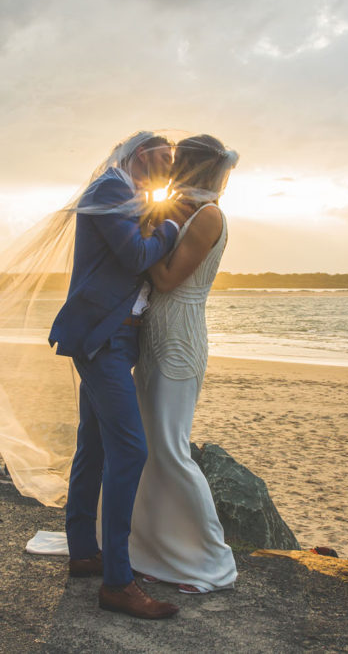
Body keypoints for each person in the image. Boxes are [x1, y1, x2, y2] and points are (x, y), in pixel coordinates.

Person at [48, 131, 195, 620]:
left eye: (173, 161)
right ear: (135, 153)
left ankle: (83, 552)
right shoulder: (110, 189)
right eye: (161, 155)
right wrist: (173, 227)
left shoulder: (129, 194)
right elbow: (135, 256)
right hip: (101, 337)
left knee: (93, 444)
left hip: (117, 336)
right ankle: (117, 581)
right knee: (129, 449)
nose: (167, 165)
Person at [128, 134, 240, 595]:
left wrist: (143, 241)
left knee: (172, 447)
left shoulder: (209, 215)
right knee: (147, 446)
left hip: (179, 339)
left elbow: (170, 278)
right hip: (154, 335)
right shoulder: (182, 208)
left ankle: (213, 561)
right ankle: (153, 550)